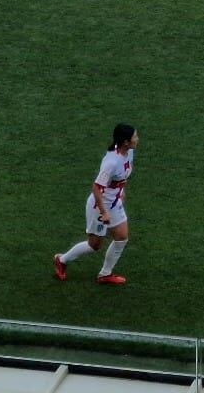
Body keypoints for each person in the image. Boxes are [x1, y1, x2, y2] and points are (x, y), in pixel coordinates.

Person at [53, 122, 138, 287]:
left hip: (114, 203)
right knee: (94, 245)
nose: (137, 138)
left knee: (121, 237)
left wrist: (121, 191)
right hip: (99, 207)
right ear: (126, 142)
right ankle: (61, 260)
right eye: (134, 136)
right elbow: (96, 188)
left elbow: (123, 176)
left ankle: (105, 274)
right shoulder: (111, 162)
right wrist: (104, 211)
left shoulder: (129, 153)